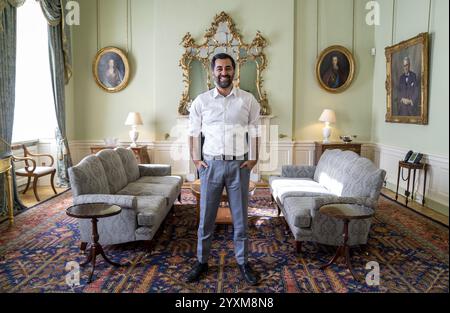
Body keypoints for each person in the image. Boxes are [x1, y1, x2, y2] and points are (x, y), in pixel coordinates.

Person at [186, 53, 261, 285]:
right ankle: (201, 261)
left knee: (240, 218)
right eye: (219, 69)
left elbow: (256, 132)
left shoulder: (248, 100)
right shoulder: (201, 101)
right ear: (212, 72)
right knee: (206, 218)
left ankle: (243, 262)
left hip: (239, 165)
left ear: (234, 71)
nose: (224, 73)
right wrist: (197, 161)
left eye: (228, 68)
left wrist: (255, 158)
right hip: (211, 165)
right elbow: (193, 134)